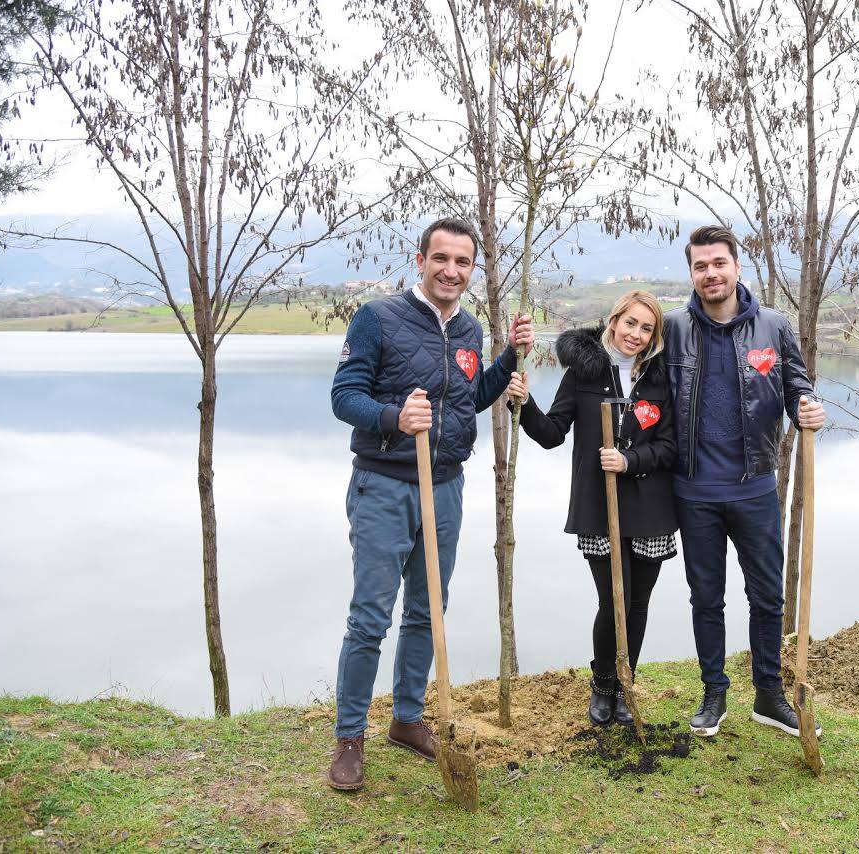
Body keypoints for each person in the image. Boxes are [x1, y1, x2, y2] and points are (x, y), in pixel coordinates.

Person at [326, 217, 534, 791]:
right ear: (420, 260)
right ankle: (349, 737)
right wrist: (394, 417)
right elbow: (344, 396)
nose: (451, 270)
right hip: (384, 486)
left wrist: (510, 363)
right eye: (441, 258)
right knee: (370, 616)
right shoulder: (376, 317)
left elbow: (468, 397)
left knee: (428, 610)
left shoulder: (468, 327)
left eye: (462, 262)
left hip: (445, 485)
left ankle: (407, 718)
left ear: (471, 269)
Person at [664, 224, 827, 738]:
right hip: (694, 491)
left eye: (719, 263)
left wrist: (807, 406)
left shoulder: (774, 327)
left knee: (768, 597)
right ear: (691, 272)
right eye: (700, 266)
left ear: (737, 266)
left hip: (756, 486)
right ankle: (714, 693)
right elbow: (626, 360)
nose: (710, 273)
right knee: (706, 597)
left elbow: (796, 380)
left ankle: (769, 693)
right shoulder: (673, 328)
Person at [506, 291, 677, 726]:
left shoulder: (660, 378)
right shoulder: (585, 373)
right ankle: (602, 685)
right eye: (630, 323)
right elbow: (551, 433)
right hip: (601, 507)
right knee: (611, 600)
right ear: (615, 320)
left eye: (646, 328)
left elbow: (671, 445)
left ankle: (625, 683)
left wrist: (629, 461)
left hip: (650, 505)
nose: (636, 335)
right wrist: (522, 405)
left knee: (638, 602)